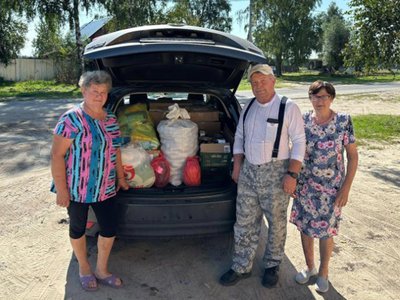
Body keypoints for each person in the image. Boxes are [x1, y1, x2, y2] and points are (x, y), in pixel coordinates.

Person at [219, 64, 306, 288]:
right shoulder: (248, 107)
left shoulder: (288, 107)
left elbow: (299, 142)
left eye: (263, 81)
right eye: (254, 83)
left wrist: (292, 174)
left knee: (276, 223)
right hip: (248, 171)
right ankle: (241, 266)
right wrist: (237, 165)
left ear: (273, 80)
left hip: (276, 173)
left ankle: (272, 265)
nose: (258, 86)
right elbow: (239, 136)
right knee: (244, 221)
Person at [50, 70, 129, 291]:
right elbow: (57, 155)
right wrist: (62, 190)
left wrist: (121, 178)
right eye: (94, 91)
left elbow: (116, 151)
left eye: (103, 92)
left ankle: (102, 270)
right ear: (84, 90)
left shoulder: (111, 119)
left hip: (106, 186)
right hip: (77, 188)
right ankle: (84, 268)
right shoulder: (71, 119)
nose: (99, 96)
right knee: (78, 228)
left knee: (109, 228)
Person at [289, 80, 358, 293]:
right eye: (316, 96)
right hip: (306, 187)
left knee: (327, 232)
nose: (320, 101)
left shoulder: (343, 121)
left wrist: (346, 188)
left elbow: (353, 156)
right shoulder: (303, 121)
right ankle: (309, 267)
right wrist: (292, 178)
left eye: (325, 96)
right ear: (310, 98)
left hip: (332, 189)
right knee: (305, 227)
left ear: (332, 98)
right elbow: (295, 151)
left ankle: (324, 272)